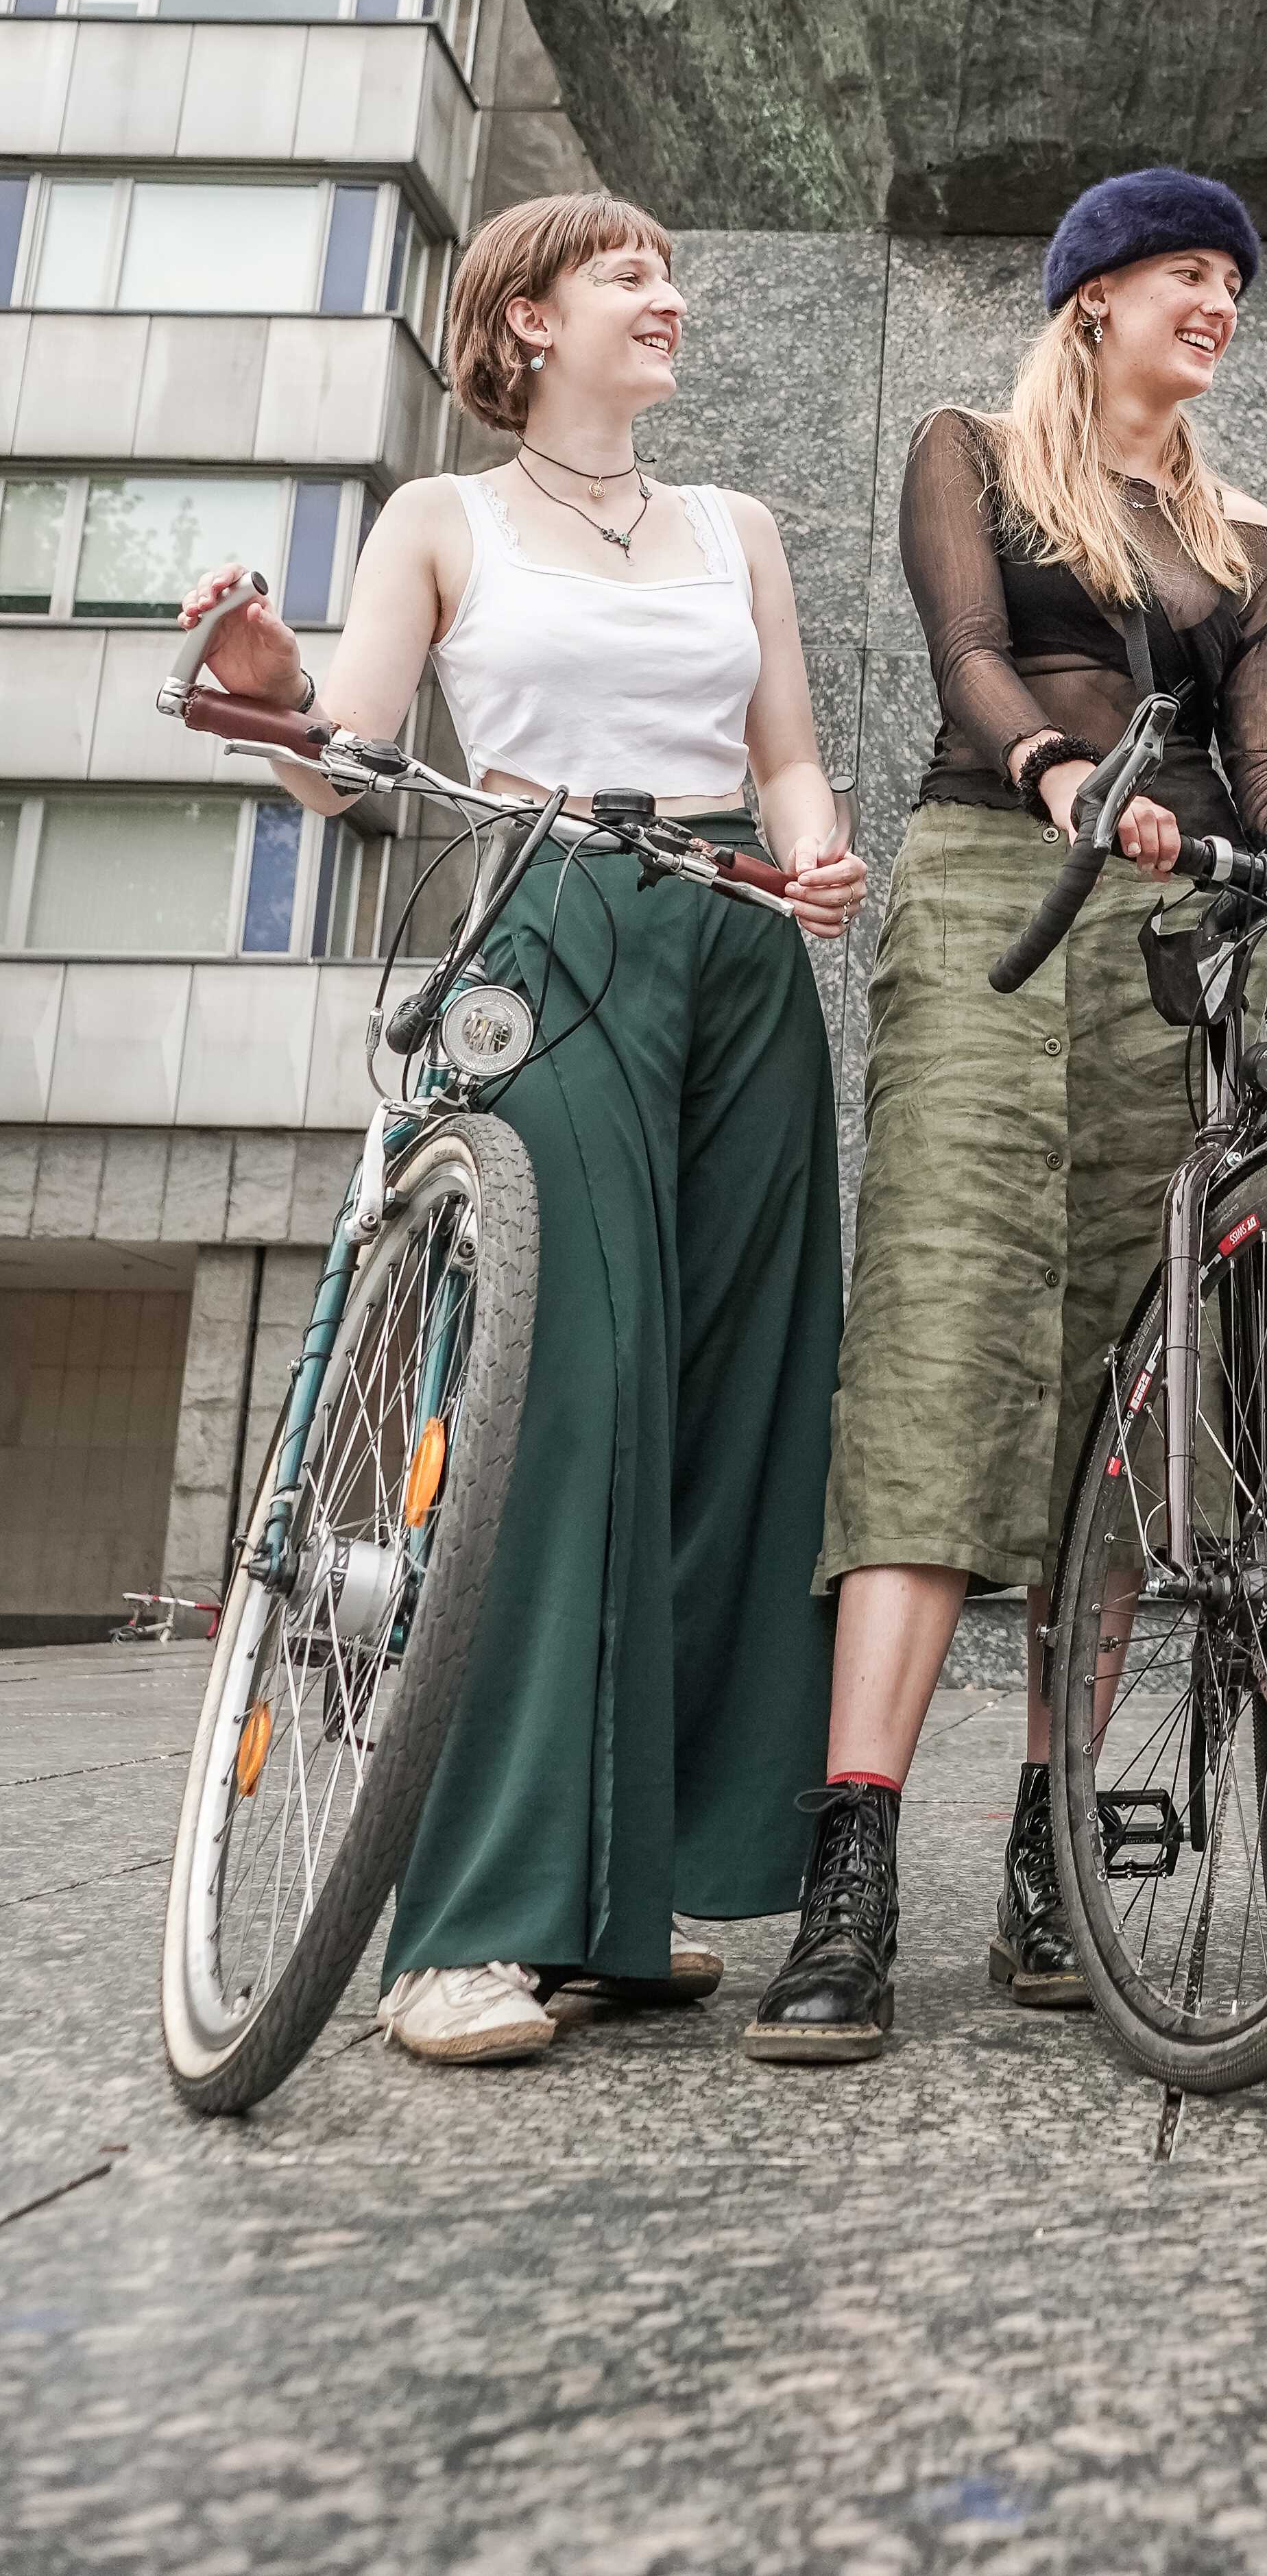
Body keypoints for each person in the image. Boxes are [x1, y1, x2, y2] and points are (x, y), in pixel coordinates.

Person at [176, 190, 866, 2068]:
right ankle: (466, 1921)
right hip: (550, 915)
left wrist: (809, 848)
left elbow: (786, 743)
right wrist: (264, 696)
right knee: (565, 1395)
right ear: (526, 320)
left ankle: (629, 1902)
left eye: (666, 269)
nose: (668, 293)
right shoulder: (442, 519)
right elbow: (349, 753)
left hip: (737, 941)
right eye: (627, 272)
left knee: (736, 1406)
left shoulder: (736, 525)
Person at [746, 167, 1267, 2066]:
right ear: (1094, 297)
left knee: (1139, 1383)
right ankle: (851, 1869)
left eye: (1232, 283)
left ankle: (1054, 1847)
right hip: (991, 895)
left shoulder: (1246, 530)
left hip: (1179, 938)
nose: (1216, 302)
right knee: (941, 1342)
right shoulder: (970, 450)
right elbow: (966, 653)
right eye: (1185, 274)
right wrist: (1057, 773)